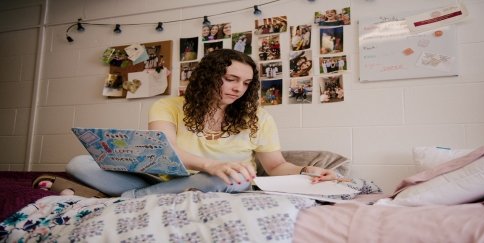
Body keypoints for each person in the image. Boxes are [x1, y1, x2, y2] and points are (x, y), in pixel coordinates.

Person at [65, 49, 344, 198]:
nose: (239, 89)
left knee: (233, 177)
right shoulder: (168, 105)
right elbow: (167, 150)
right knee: (78, 164)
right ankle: (149, 193)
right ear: (208, 77)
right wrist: (211, 163)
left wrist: (307, 170)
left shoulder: (259, 117)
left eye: (246, 83)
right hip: (167, 179)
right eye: (231, 79)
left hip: (217, 182)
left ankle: (133, 199)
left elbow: (275, 166)